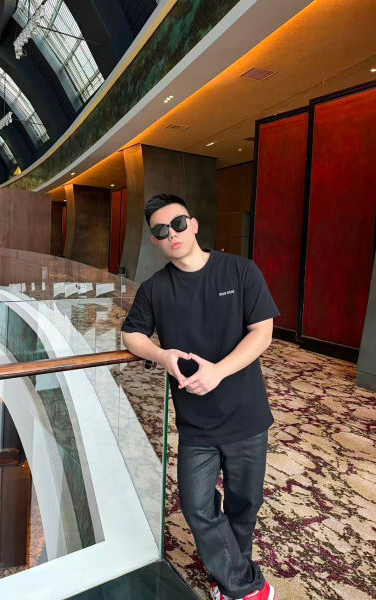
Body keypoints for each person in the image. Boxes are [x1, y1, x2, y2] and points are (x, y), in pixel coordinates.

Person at [121, 194, 279, 600]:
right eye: (161, 231)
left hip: (246, 416)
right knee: (197, 506)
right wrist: (162, 355)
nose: (171, 234)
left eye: (177, 224)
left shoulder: (240, 271)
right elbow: (131, 334)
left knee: (244, 506)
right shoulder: (155, 289)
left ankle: (229, 582)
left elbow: (262, 332)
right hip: (196, 425)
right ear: (155, 241)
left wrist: (219, 371)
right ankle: (247, 586)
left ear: (192, 224)